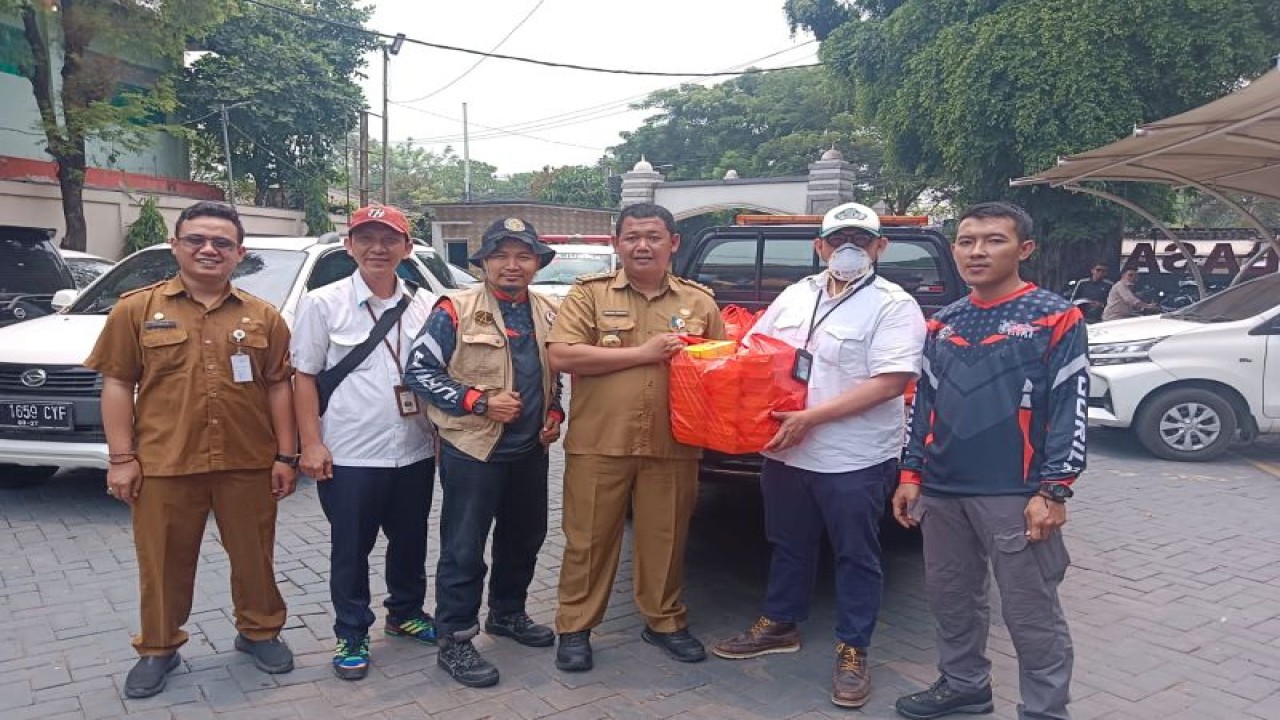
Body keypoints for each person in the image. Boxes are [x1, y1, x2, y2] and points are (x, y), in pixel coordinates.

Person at [712, 201, 926, 709]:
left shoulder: (894, 305)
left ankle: (854, 649)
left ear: (880, 247)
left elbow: (892, 381)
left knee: (856, 554)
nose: (847, 249)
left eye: (860, 239)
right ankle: (780, 622)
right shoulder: (795, 294)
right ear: (819, 247)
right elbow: (757, 354)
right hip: (786, 451)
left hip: (852, 456)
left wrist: (812, 418)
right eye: (837, 240)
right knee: (788, 542)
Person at [86, 201, 297, 699]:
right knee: (161, 562)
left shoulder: (262, 315)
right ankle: (159, 646)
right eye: (197, 240)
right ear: (176, 246)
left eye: (222, 242)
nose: (209, 249)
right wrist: (121, 459)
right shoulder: (136, 309)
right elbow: (117, 382)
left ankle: (259, 631)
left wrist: (286, 456)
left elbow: (279, 387)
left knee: (254, 556)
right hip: (164, 462)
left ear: (239, 253)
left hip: (247, 462)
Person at [892, 201, 1088, 720]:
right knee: (951, 599)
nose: (977, 251)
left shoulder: (1054, 316)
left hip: (1016, 494)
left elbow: (1073, 404)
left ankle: (1045, 710)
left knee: (1030, 612)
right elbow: (924, 404)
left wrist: (1054, 490)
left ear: (1024, 249)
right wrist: (911, 473)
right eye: (966, 240)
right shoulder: (944, 322)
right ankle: (964, 686)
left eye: (993, 240)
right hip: (941, 489)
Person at [548, 202, 725, 672]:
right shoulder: (589, 295)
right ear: (616, 243)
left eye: (652, 236)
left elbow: (721, 369)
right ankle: (575, 627)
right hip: (599, 440)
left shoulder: (699, 303)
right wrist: (644, 354)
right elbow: (563, 355)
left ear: (673, 243)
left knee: (665, 537)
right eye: (631, 237)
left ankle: (664, 621)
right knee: (588, 540)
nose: (642, 245)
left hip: (674, 443)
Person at [404, 217, 565, 688]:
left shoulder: (548, 310)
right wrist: (477, 401)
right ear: (484, 263)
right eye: (501, 255)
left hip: (529, 451)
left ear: (537, 263)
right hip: (473, 449)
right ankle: (454, 638)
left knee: (525, 537)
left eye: (522, 256)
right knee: (463, 548)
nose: (511, 265)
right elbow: (419, 370)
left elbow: (554, 376)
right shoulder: (454, 308)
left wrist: (554, 414)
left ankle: (507, 613)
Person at [290, 204, 439, 680]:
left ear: (407, 248)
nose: (379, 248)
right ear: (349, 245)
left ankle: (405, 613)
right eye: (367, 238)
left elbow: (436, 374)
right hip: (350, 452)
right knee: (351, 547)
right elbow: (304, 378)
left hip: (415, 447)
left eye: (389, 239)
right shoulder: (321, 303)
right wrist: (310, 444)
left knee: (411, 540)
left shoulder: (426, 304)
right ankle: (351, 631)